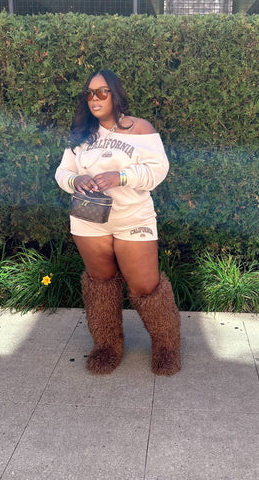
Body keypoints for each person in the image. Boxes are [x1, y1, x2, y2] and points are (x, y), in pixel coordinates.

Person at [55, 69, 181, 376]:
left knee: (145, 285)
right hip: (89, 219)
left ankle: (167, 345)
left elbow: (158, 170)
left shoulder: (139, 128)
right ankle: (107, 346)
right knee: (100, 283)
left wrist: (121, 177)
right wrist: (75, 181)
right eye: (89, 93)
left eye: (102, 92)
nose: (94, 98)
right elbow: (62, 172)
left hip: (132, 217)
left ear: (115, 94)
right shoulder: (82, 134)